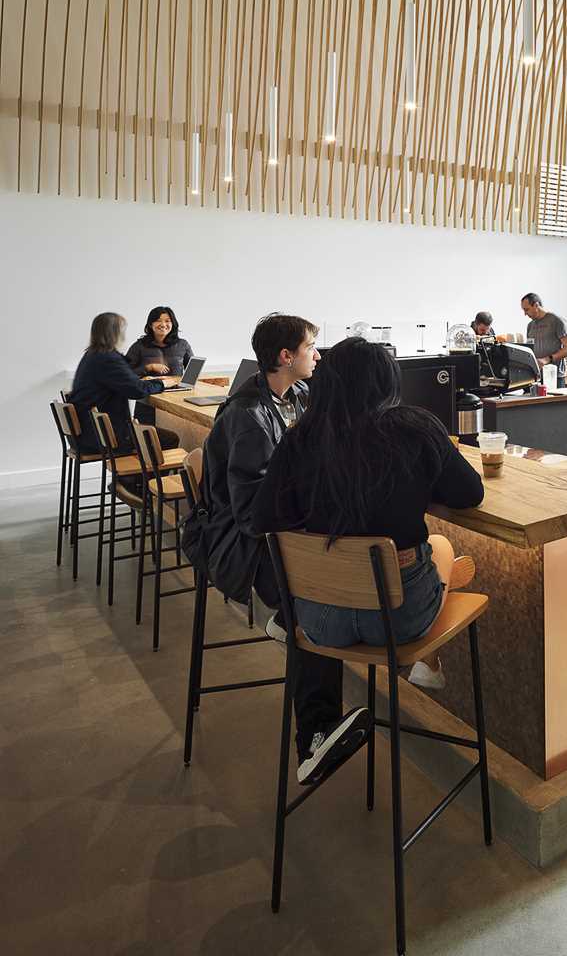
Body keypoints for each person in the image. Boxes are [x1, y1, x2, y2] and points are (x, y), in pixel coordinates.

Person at [184, 311, 366, 786]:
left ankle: (292, 625)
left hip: (273, 535)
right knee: (316, 600)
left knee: (321, 586)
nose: (318, 355)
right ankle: (315, 735)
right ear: (286, 357)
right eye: (310, 347)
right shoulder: (247, 416)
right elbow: (252, 514)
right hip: (243, 546)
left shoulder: (297, 396)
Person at [251, 337, 484, 689]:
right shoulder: (416, 427)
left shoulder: (299, 438)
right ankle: (428, 661)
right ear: (389, 380)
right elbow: (469, 494)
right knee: (440, 546)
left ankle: (426, 662)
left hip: (319, 620)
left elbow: (265, 517)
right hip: (397, 623)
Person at [67, 311, 180, 453]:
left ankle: (135, 475)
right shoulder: (108, 359)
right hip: (104, 436)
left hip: (89, 433)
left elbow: (128, 381)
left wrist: (150, 380)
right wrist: (163, 383)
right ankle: (141, 475)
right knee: (170, 439)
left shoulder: (93, 355)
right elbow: (137, 390)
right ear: (114, 333)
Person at [125, 306, 196, 377]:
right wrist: (149, 367)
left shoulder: (183, 344)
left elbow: (193, 372)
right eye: (158, 320)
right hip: (149, 387)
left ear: (172, 324)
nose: (163, 324)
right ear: (150, 324)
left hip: (177, 387)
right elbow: (124, 373)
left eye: (167, 321)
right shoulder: (138, 346)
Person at [520, 292, 567, 380]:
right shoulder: (530, 326)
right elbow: (531, 349)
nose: (525, 313)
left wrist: (547, 359)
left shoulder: (556, 321)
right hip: (536, 376)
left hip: (554, 376)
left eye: (527, 309)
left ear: (536, 305)